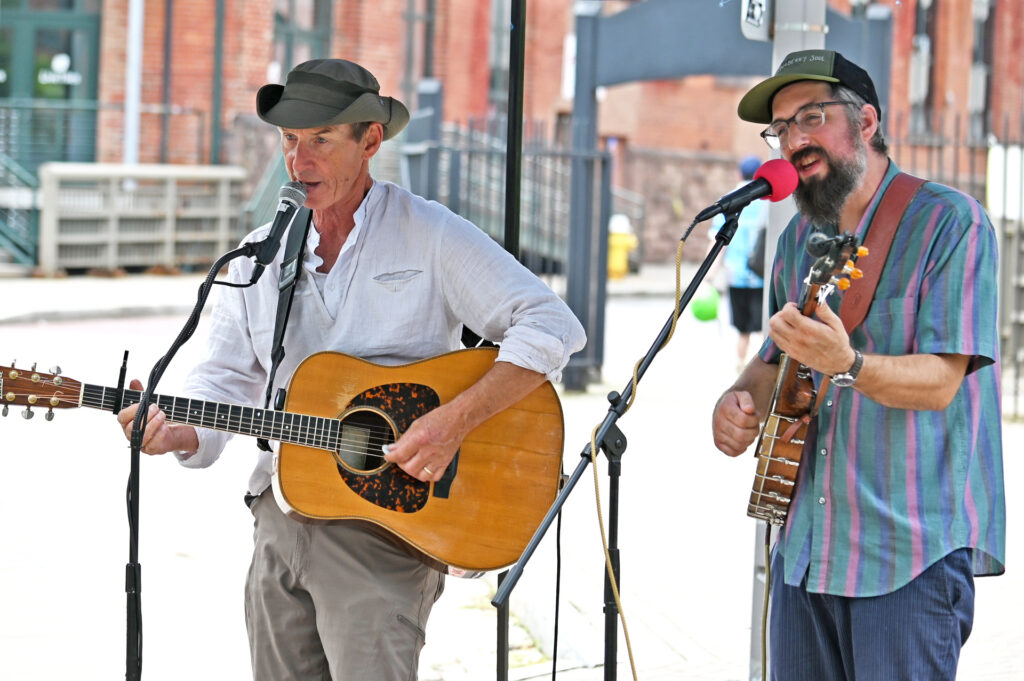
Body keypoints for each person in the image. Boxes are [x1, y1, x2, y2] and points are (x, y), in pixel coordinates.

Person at [115, 58, 586, 681]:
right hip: (280, 515)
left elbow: (551, 325)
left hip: (387, 531)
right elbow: (223, 379)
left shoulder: (429, 234)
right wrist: (180, 432)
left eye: (320, 140)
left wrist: (451, 422)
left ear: (370, 140)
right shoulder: (262, 252)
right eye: (289, 140)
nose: (298, 160)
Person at [710, 50, 1004, 680]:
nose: (794, 140)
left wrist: (851, 364)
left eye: (811, 117)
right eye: (781, 128)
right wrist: (738, 400)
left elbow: (943, 383)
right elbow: (772, 363)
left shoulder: (950, 224)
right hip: (806, 553)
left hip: (908, 556)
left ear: (865, 121)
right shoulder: (795, 238)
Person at [712, 155, 768, 368]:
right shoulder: (766, 202)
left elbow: (717, 241)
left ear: (739, 173)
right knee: (763, 326)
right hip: (761, 275)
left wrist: (710, 277)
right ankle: (759, 368)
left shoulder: (730, 199)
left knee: (742, 329)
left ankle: (740, 364)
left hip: (736, 275)